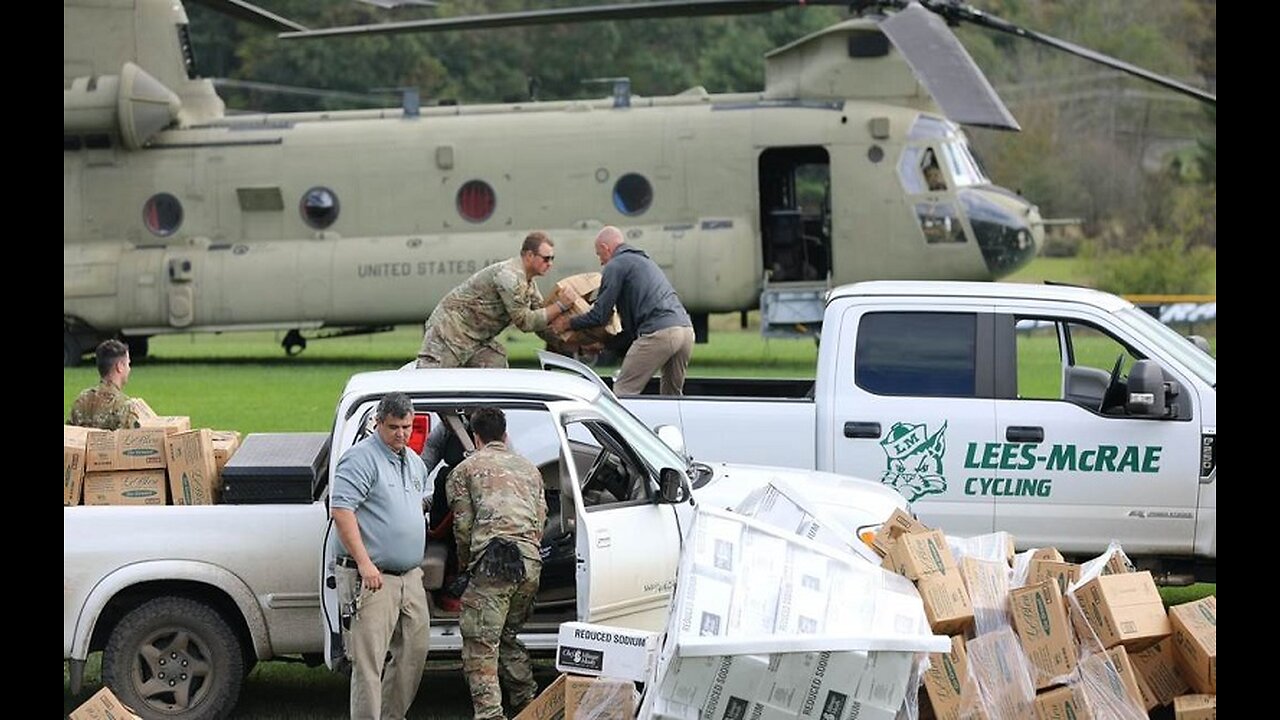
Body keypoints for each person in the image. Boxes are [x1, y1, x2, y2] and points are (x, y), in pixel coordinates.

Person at [329, 392, 432, 720]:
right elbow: (342, 512)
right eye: (393, 427)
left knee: (413, 655)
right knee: (368, 662)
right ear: (377, 423)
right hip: (372, 578)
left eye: (407, 426)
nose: (401, 433)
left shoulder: (414, 461)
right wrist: (365, 564)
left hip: (410, 577)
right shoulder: (360, 459)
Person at [447, 407, 547, 720]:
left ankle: (490, 714)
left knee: (481, 643)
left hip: (493, 565)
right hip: (529, 564)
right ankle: (529, 703)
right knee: (507, 636)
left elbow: (462, 528)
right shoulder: (530, 469)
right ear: (505, 434)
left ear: (475, 436)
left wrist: (466, 568)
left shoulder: (465, 470)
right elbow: (540, 521)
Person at [551, 225, 695, 395]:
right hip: (686, 331)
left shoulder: (615, 265)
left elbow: (599, 316)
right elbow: (630, 331)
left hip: (660, 333)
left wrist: (567, 323)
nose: (601, 261)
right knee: (672, 396)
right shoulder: (643, 261)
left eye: (599, 254)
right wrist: (604, 344)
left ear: (606, 248)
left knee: (623, 392)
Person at [416, 231, 579, 368]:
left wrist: (574, 341)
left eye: (552, 258)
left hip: (476, 339)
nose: (550, 263)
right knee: (429, 386)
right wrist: (560, 305)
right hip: (449, 334)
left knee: (496, 368)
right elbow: (526, 322)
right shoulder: (509, 277)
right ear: (529, 256)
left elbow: (541, 322)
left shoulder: (528, 283)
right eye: (546, 258)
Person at [68, 339, 142, 430]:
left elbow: (69, 436)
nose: (129, 369)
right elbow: (133, 441)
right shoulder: (124, 406)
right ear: (120, 367)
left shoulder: (82, 400)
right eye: (128, 364)